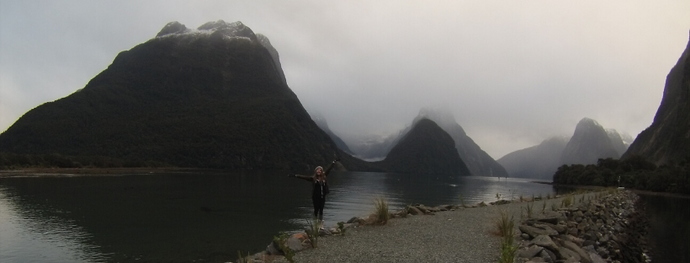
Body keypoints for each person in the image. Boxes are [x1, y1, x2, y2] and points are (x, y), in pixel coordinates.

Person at [288, 158, 339, 229]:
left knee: (321, 210)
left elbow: (329, 169)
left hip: (322, 197)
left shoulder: (324, 177)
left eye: (320, 170)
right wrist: (295, 175)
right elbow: (304, 177)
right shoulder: (313, 178)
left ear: (321, 171)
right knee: (316, 210)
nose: (319, 171)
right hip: (315, 197)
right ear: (315, 171)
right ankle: (315, 224)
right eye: (317, 170)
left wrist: (333, 162)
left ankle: (321, 224)